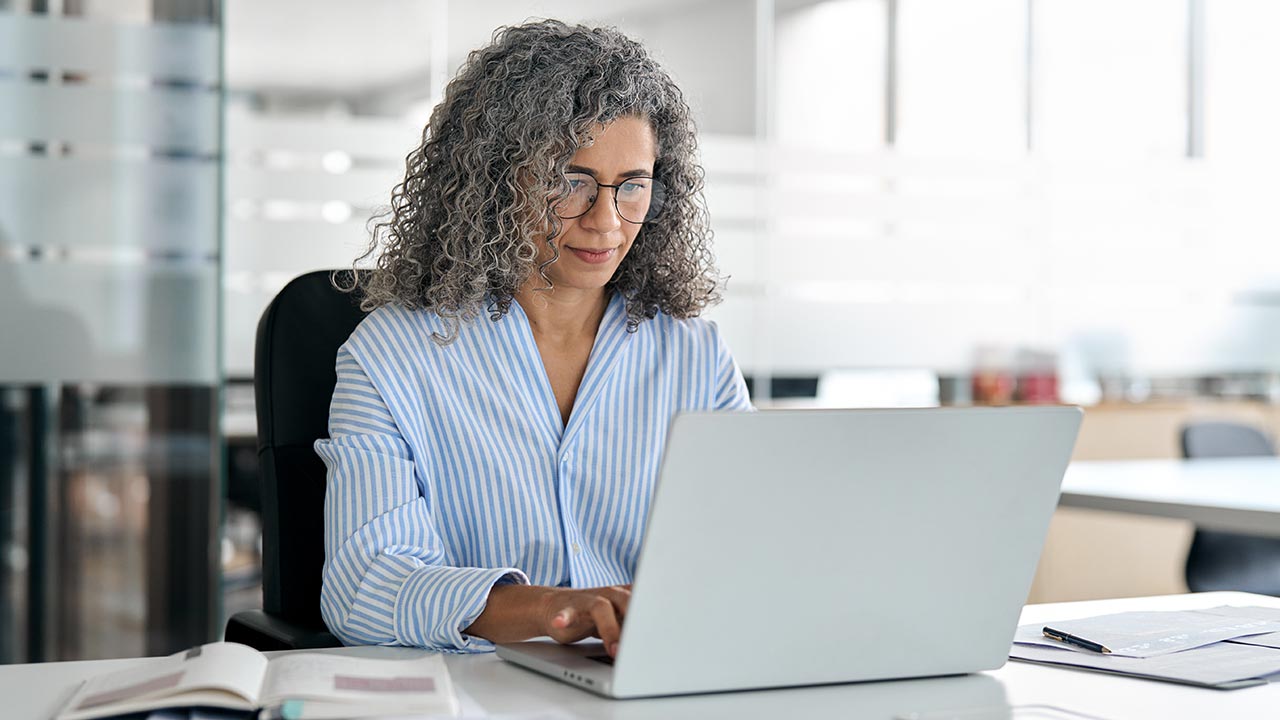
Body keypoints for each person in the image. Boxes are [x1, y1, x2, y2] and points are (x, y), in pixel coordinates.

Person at [315, 19, 751, 658]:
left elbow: (752, 548)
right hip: (476, 694)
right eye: (569, 182)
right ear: (494, 182)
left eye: (632, 186)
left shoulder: (696, 357)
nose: (606, 221)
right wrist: (555, 609)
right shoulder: (390, 358)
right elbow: (364, 588)